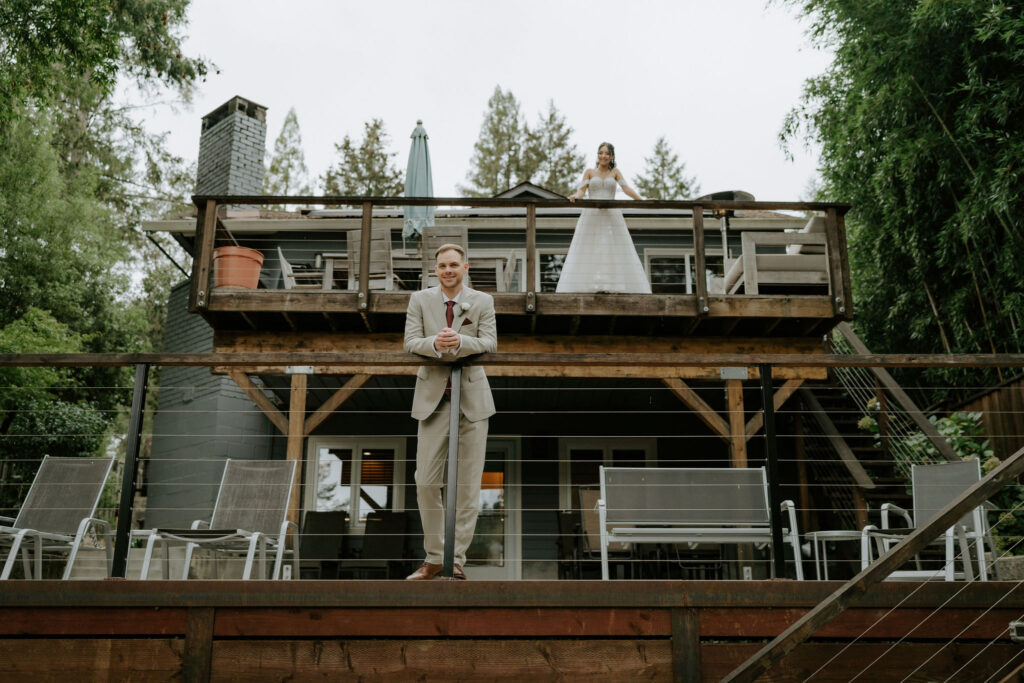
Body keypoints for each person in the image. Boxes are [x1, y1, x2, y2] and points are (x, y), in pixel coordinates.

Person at [403, 243, 497, 580]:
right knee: (426, 482)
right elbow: (411, 342)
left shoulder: (483, 302)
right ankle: (434, 556)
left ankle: (454, 559)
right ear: (435, 269)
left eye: (454, 265)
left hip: (472, 402)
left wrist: (459, 341)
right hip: (432, 400)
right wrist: (434, 344)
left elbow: (489, 341)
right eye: (442, 265)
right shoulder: (420, 300)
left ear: (465, 267)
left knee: (468, 486)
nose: (448, 271)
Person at [556, 142, 652, 293]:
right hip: (592, 214)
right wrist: (575, 196)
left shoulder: (615, 172)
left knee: (611, 247)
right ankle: (589, 286)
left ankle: (611, 285)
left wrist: (641, 200)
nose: (603, 156)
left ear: (612, 156)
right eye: (601, 153)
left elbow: (626, 189)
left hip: (611, 214)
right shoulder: (589, 172)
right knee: (589, 246)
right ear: (597, 155)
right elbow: (581, 191)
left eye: (607, 153)